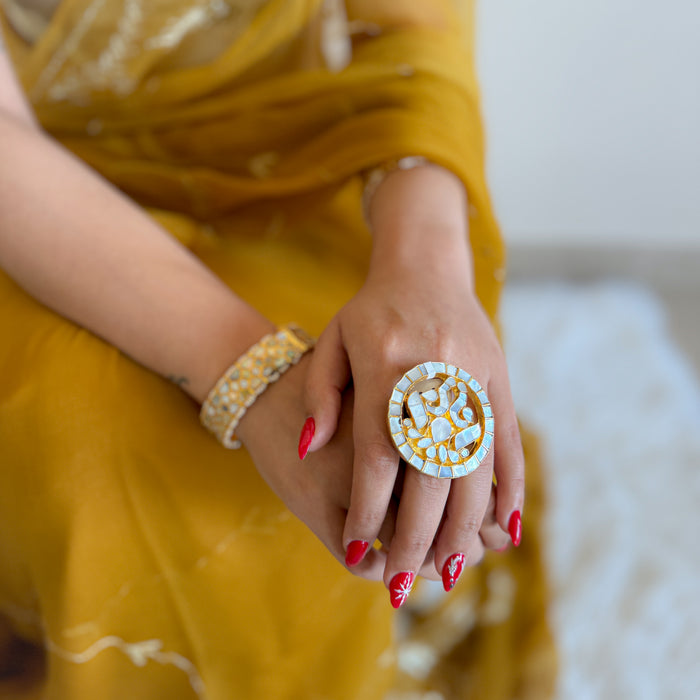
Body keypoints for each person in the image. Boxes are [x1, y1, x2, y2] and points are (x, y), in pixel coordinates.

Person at [0, 1, 556, 698]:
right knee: (91, 457)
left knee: (377, 440)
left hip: (308, 165)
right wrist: (256, 379)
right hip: (32, 204)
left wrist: (426, 269)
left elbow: (416, 37)